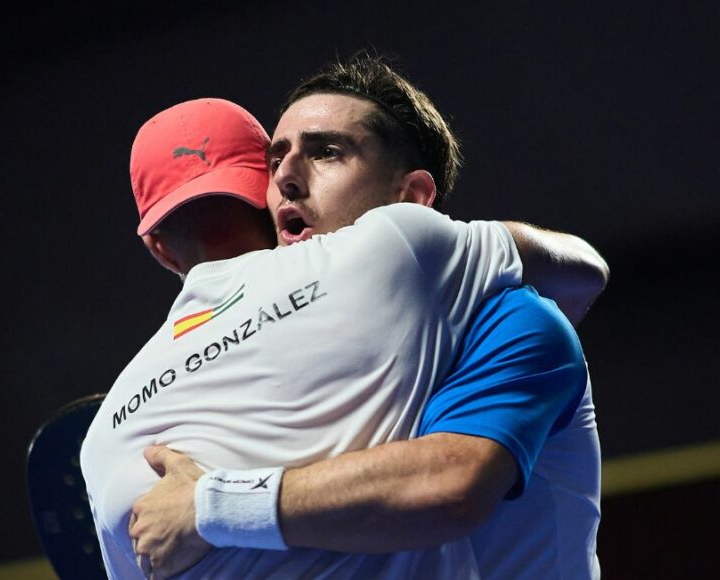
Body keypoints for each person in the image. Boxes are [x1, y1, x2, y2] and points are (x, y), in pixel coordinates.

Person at [86, 56, 604, 579]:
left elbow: (448, 489)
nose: (287, 177)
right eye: (274, 161)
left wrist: (211, 505)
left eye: (328, 153)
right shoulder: (293, 354)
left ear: (414, 201)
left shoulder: (514, 320)